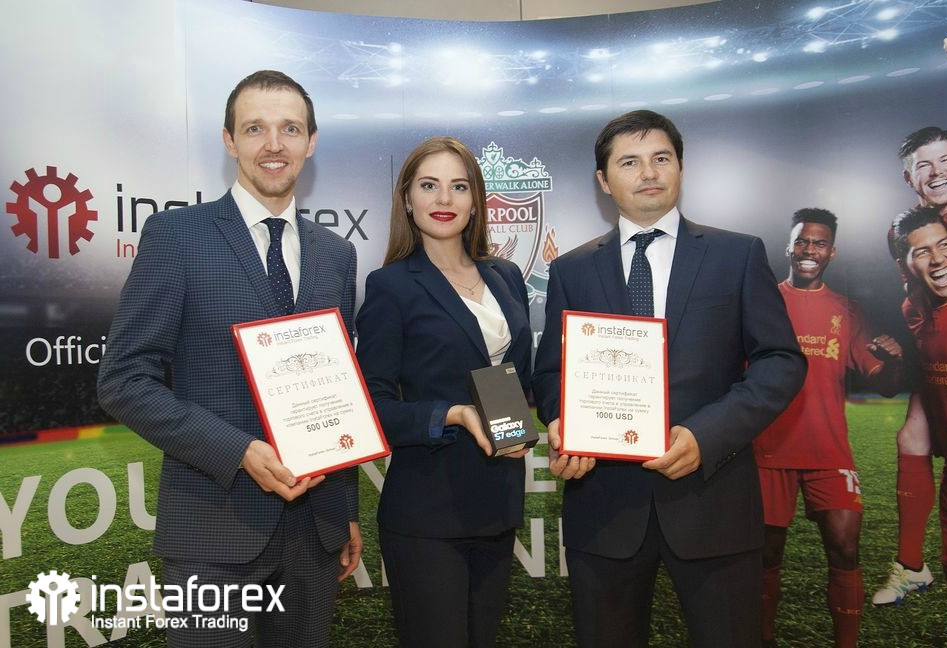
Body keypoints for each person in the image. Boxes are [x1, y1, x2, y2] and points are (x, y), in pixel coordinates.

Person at [97, 70, 360, 646]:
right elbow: (123, 380)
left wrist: (345, 509)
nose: (274, 145)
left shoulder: (336, 255)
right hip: (212, 528)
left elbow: (338, 391)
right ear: (229, 140)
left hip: (314, 535)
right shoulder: (176, 236)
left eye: (290, 129)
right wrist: (238, 451)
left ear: (311, 142)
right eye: (255, 128)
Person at [531, 110, 807, 647]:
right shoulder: (571, 270)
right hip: (604, 509)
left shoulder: (737, 254)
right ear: (603, 180)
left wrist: (708, 435)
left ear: (680, 167)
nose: (648, 172)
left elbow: (781, 360)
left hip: (714, 502)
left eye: (661, 158)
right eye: (629, 162)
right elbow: (550, 373)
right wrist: (563, 418)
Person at [355, 136, 532, 648]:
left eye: (459, 186)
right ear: (408, 200)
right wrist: (452, 414)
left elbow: (517, 379)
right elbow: (372, 406)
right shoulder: (391, 286)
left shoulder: (506, 275)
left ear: (475, 200)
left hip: (498, 501)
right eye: (429, 186)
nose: (444, 199)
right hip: (428, 510)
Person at [756, 209, 903, 647]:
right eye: (802, 241)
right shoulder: (763, 302)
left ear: (832, 252)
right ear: (788, 247)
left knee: (845, 548)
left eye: (819, 243)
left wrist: (895, 361)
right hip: (769, 450)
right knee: (765, 555)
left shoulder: (847, 310)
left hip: (829, 451)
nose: (809, 250)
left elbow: (886, 386)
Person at [874, 30, 947, 602]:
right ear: (908, 178)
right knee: (913, 433)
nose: (935, 172)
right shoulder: (908, 232)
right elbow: (918, 305)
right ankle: (912, 563)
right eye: (922, 165)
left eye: (945, 160)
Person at [891, 206, 947, 646]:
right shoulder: (913, 309)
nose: (938, 258)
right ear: (906, 265)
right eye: (922, 252)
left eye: (944, 245)